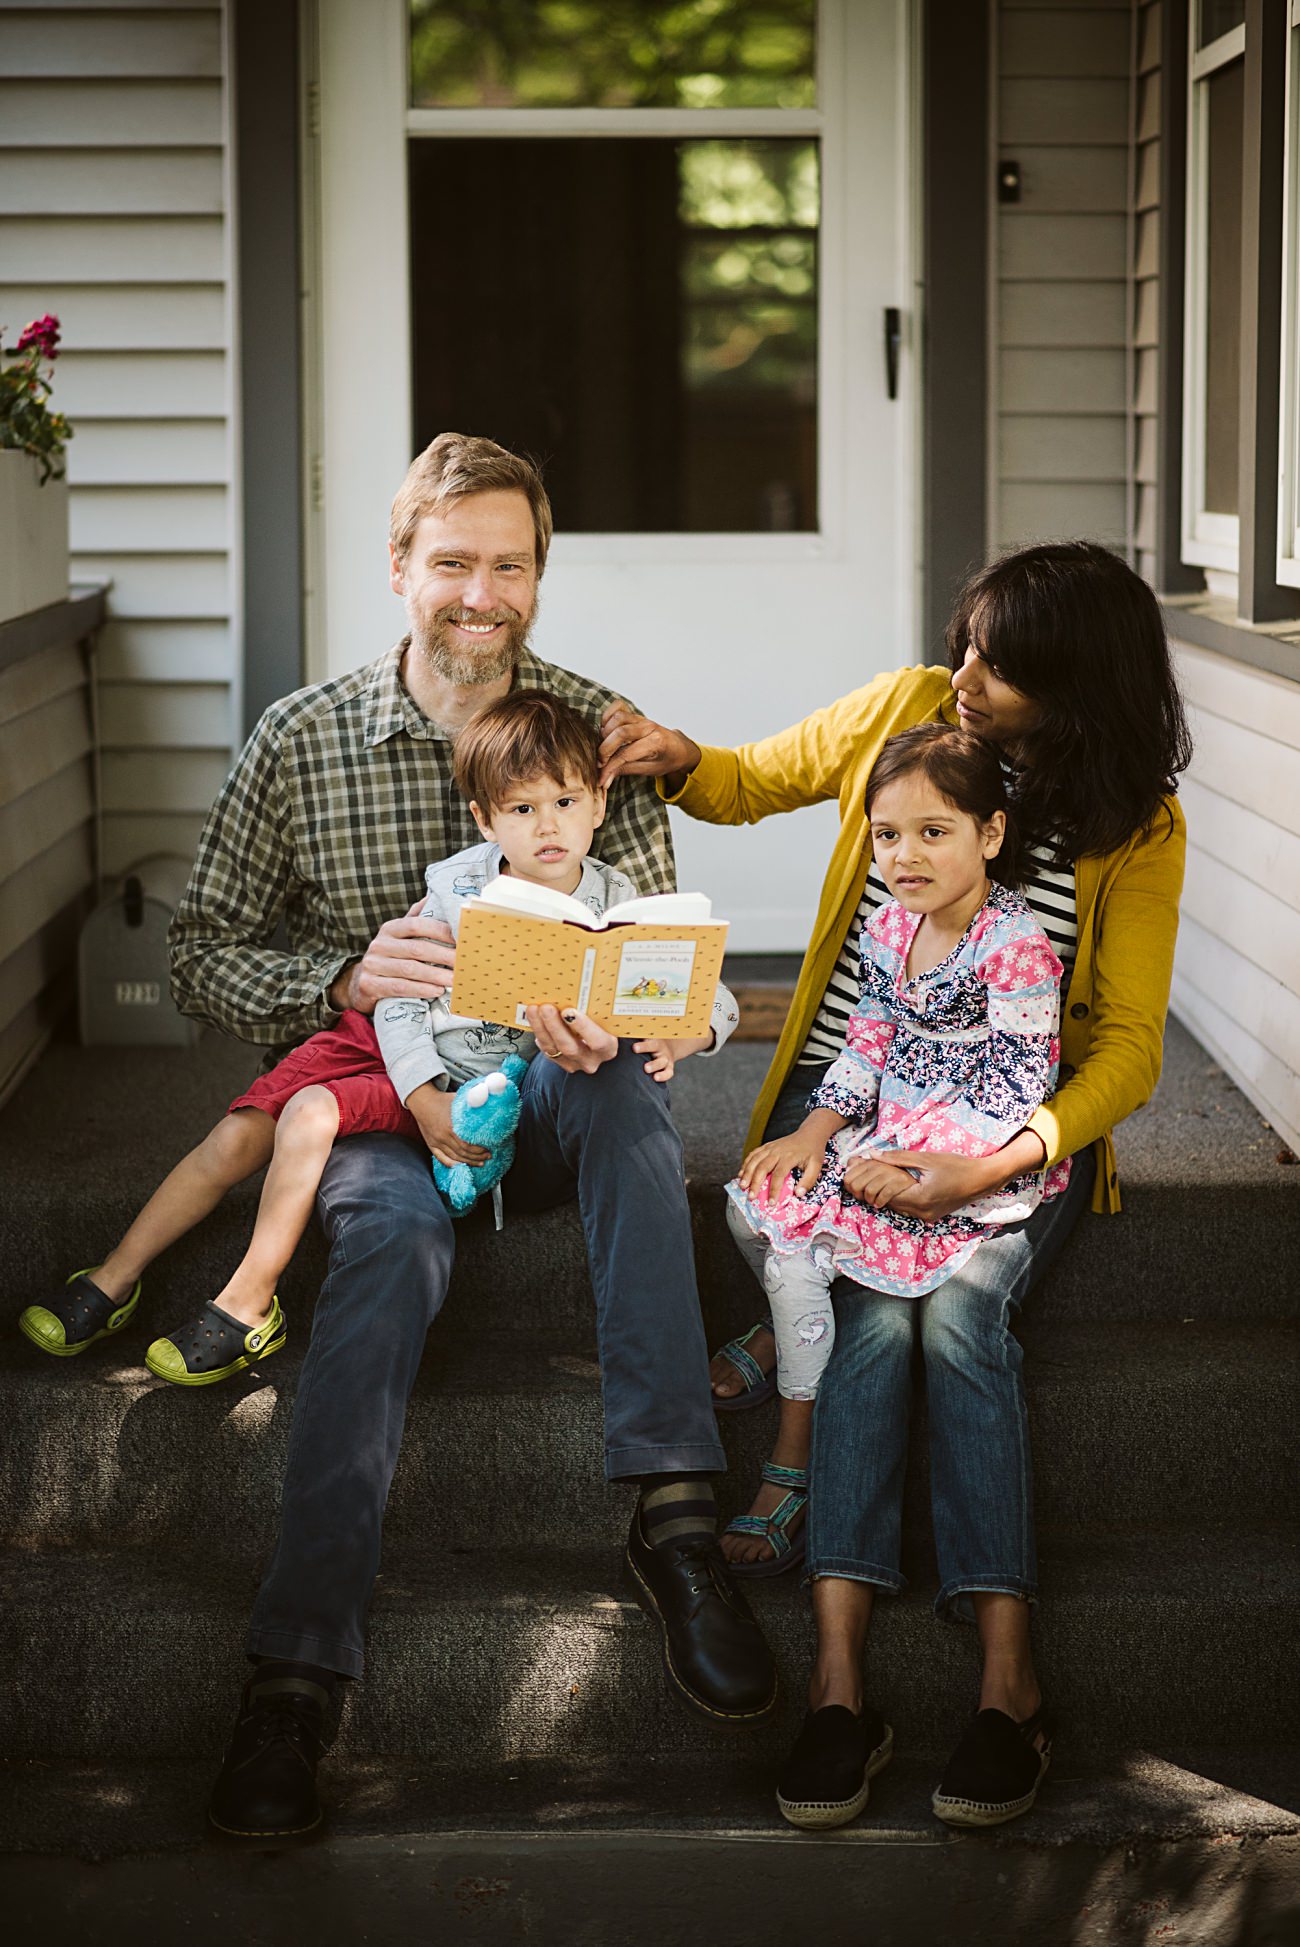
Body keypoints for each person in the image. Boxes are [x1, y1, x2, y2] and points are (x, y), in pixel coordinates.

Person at [56, 433, 777, 1838]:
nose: (483, 593)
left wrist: (656, 1023)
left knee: (633, 1102)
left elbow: (662, 957)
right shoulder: (301, 735)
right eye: (454, 563)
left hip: (564, 1087)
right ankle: (297, 1667)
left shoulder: (597, 730)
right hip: (385, 1106)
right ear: (400, 569)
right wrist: (336, 980)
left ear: (538, 578)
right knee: (382, 1237)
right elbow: (199, 951)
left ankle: (678, 1517)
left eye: (511, 566)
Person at [599, 539, 1189, 1830]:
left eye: (1004, 665)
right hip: (851, 1118)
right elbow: (749, 780)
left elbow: (1131, 1045)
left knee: (963, 1318)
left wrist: (995, 1159)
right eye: (967, 643)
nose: (967, 677)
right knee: (876, 1320)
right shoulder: (901, 711)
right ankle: (841, 1681)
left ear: (1079, 684)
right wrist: (672, 752)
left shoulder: (1133, 821)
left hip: (1014, 1140)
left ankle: (1004, 1684)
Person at [18, 691, 733, 1387]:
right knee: (241, 1136)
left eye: (566, 802)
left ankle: (242, 1299)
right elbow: (395, 1000)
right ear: (487, 820)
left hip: (477, 1088)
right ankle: (123, 1276)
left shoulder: (619, 901)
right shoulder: (456, 890)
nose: (548, 824)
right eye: (523, 808)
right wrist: (425, 1102)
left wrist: (688, 1036)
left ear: (599, 804)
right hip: (386, 1050)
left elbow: (711, 997)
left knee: (314, 1114)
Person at [720, 726, 1066, 1590]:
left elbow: (1020, 1078)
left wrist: (930, 1165)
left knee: (840, 1248)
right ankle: (791, 1327)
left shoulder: (1012, 942)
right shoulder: (888, 925)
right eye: (886, 835)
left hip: (960, 1147)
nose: (904, 855)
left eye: (933, 832)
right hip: (885, 1122)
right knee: (758, 1199)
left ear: (990, 833)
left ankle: (794, 1434)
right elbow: (868, 1039)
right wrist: (817, 1127)